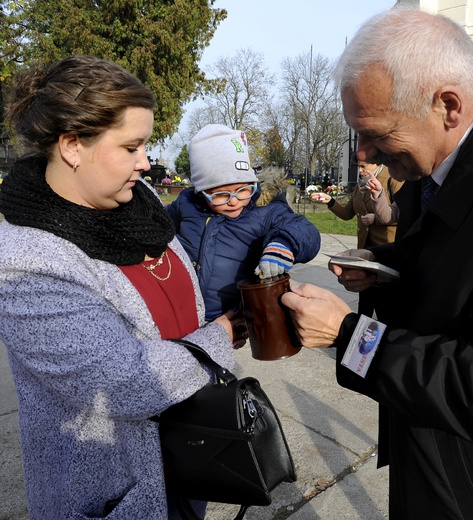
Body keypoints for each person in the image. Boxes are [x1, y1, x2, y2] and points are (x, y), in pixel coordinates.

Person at [0, 55, 246, 520]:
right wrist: (218, 340)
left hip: (188, 458)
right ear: (72, 145)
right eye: (132, 147)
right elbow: (121, 383)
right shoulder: (23, 262)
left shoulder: (139, 201)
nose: (146, 163)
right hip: (119, 492)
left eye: (145, 145)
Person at [281, 7, 473, 519]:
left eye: (376, 133)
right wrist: (384, 269)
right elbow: (440, 273)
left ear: (448, 106)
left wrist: (349, 336)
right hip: (425, 451)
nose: (364, 154)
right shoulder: (428, 177)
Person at [166, 123, 320, 322]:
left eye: (243, 190)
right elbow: (158, 222)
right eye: (220, 194)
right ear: (201, 192)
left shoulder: (266, 211)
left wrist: (284, 244)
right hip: (178, 311)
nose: (234, 200)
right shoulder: (187, 204)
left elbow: (305, 231)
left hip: (224, 316)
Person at [311, 161, 403, 316]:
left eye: (363, 166)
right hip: (364, 256)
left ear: (376, 162)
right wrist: (330, 201)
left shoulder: (392, 177)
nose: (360, 170)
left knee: (386, 311)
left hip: (386, 254)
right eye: (358, 166)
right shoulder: (360, 185)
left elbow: (405, 213)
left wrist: (377, 218)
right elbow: (348, 214)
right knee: (364, 309)